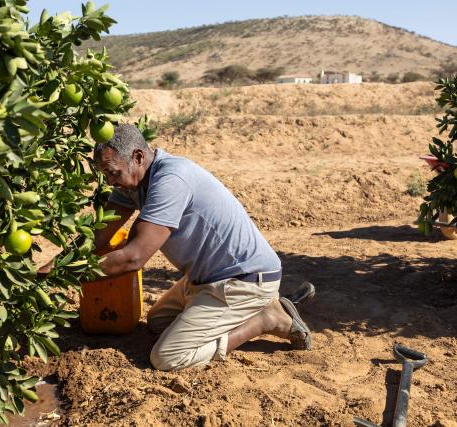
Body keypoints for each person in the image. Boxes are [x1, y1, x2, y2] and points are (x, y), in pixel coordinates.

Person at [42, 124, 312, 371]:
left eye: (113, 173)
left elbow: (133, 258)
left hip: (243, 280)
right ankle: (233, 310)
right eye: (105, 174)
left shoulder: (171, 179)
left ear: (138, 157)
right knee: (158, 323)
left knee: (168, 356)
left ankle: (266, 319)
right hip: (205, 278)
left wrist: (70, 274)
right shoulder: (133, 182)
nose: (110, 182)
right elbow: (100, 234)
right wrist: (58, 262)